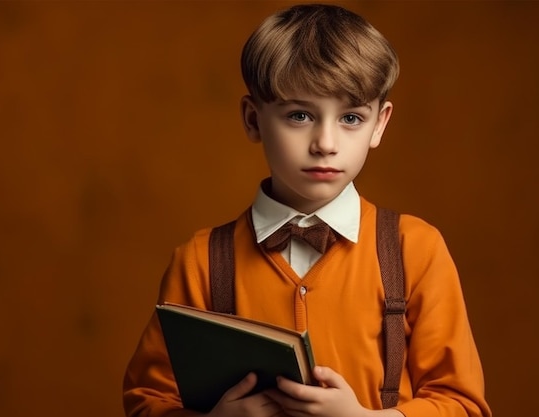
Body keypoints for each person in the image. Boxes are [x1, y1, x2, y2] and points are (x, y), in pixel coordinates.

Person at [123, 3, 492, 417]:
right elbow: (147, 401)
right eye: (299, 115)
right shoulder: (199, 261)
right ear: (252, 119)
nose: (326, 142)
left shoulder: (415, 251)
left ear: (380, 125)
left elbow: (463, 405)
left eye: (351, 117)